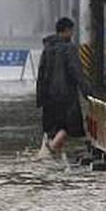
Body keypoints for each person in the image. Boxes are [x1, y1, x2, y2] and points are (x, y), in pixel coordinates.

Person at [35, 17, 85, 155]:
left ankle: (50, 152)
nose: (72, 34)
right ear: (67, 30)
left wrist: (40, 98)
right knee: (67, 127)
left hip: (48, 98)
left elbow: (40, 74)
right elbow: (77, 72)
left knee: (53, 128)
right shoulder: (69, 48)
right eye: (71, 31)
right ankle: (52, 150)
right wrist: (87, 92)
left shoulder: (47, 48)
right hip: (66, 97)